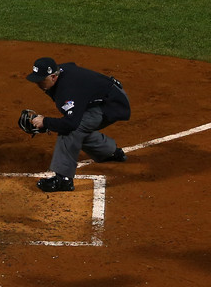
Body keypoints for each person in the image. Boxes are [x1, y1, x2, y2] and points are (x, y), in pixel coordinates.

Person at [24, 57, 131, 192]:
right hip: (103, 97)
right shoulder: (59, 75)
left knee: (71, 130)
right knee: (78, 128)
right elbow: (71, 66)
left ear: (53, 77)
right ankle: (109, 152)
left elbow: (70, 124)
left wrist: (45, 122)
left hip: (111, 104)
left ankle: (63, 179)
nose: (38, 84)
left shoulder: (67, 90)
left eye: (41, 80)